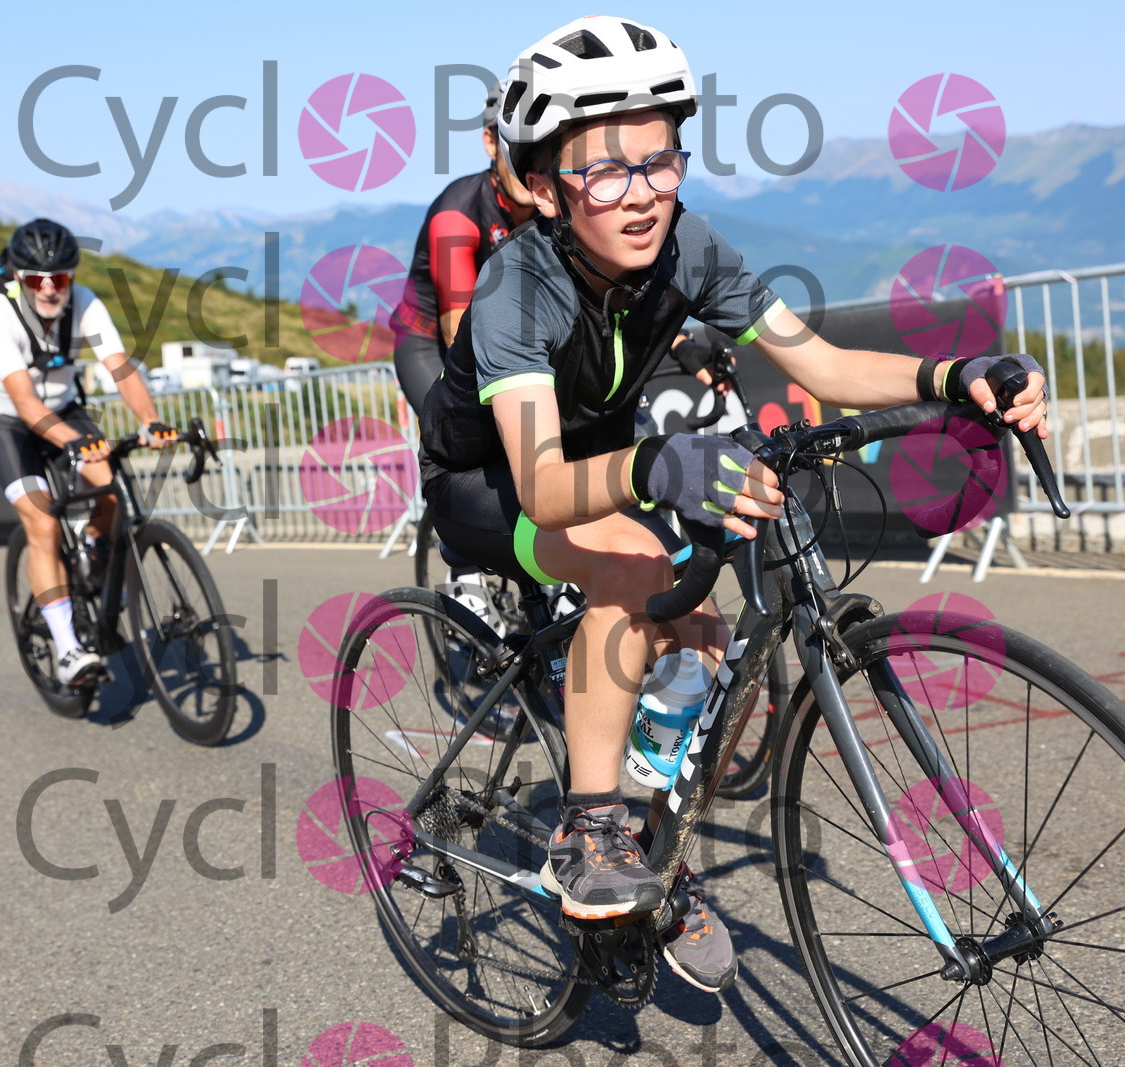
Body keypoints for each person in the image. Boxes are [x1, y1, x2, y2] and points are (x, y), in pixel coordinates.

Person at [419, 15, 1048, 994]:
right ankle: (590, 830)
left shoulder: (689, 247)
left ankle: (650, 832)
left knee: (706, 631)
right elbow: (542, 483)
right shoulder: (516, 287)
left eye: (658, 160)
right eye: (604, 171)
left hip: (595, 459)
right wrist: (658, 463)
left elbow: (822, 364)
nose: (642, 192)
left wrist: (952, 372)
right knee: (633, 564)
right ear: (542, 186)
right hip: (488, 480)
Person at [0, 218, 177, 686]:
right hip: (5, 418)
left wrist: (150, 420)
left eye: (59, 278)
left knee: (109, 489)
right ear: (19, 278)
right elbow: (24, 402)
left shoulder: (85, 303)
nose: (49, 289)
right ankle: (68, 650)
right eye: (37, 280)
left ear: (72, 277)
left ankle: (95, 558)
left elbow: (120, 367)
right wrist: (72, 441)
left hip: (63, 406)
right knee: (42, 522)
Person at [391, 80, 537, 412]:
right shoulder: (456, 214)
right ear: (491, 143)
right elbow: (456, 330)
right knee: (461, 432)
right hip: (428, 342)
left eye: (536, 146)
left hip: (502, 333)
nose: (524, 162)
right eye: (513, 145)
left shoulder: (554, 208)